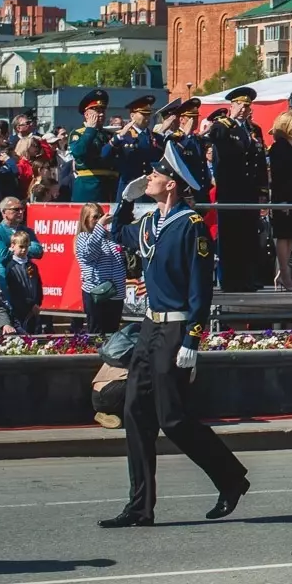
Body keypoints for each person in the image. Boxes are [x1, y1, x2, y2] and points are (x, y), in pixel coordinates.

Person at [98, 141, 250, 528]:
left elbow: (200, 289)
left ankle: (230, 477)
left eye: (155, 174)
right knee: (134, 412)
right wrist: (125, 200)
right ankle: (139, 506)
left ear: (172, 184)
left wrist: (192, 341)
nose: (148, 177)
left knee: (174, 418)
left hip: (177, 326)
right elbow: (118, 234)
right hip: (149, 327)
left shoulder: (191, 226)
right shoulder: (152, 223)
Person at [207, 87, 268, 293]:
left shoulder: (253, 130)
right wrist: (230, 119)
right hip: (231, 189)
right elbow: (213, 136)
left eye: (247, 106)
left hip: (249, 190)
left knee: (249, 236)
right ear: (231, 106)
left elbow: (259, 162)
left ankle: (248, 279)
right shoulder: (224, 126)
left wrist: (262, 192)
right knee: (231, 236)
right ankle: (231, 281)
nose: (243, 109)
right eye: (240, 105)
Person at [266, 109, 292, 290]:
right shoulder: (279, 147)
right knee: (282, 236)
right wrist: (282, 202)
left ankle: (285, 273)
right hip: (283, 198)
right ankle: (284, 274)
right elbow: (278, 176)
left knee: (291, 237)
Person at [75, 201, 126, 333]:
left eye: (101, 216)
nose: (99, 219)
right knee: (97, 333)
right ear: (86, 220)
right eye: (95, 217)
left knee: (112, 333)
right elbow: (90, 253)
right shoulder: (83, 237)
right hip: (97, 292)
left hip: (116, 293)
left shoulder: (109, 237)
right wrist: (99, 226)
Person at [68, 90, 120, 204]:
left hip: (110, 187)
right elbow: (79, 152)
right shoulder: (78, 133)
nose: (101, 114)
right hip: (90, 187)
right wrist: (90, 130)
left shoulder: (108, 135)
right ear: (86, 114)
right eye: (96, 110)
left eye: (103, 110)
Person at [0, 230, 42, 334]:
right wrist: (30, 304)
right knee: (24, 333)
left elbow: (38, 284)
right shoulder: (11, 267)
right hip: (19, 308)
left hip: (34, 307)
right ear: (13, 246)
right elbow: (16, 290)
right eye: (21, 247)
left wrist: (37, 302)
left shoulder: (32, 266)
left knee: (35, 332)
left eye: (26, 247)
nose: (24, 250)